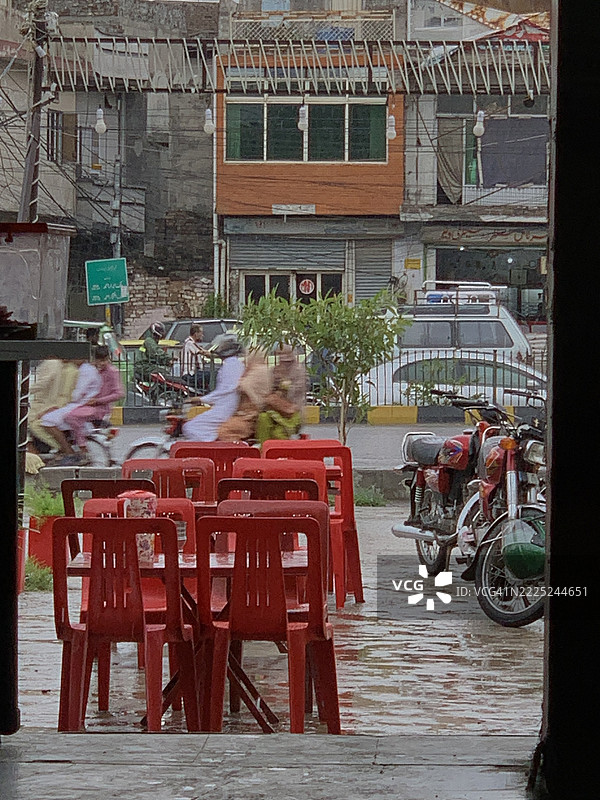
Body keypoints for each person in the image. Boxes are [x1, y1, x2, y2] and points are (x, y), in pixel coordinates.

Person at [62, 345, 125, 464]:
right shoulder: (92, 370)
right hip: (86, 405)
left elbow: (119, 393)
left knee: (71, 416)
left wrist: (98, 400)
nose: (101, 363)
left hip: (99, 409)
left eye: (104, 360)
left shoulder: (112, 372)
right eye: (99, 360)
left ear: (108, 358)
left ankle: (83, 448)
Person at [182, 333, 245, 442]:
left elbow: (225, 390)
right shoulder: (231, 364)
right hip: (224, 405)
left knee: (191, 427)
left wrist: (201, 399)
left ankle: (210, 447)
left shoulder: (232, 365)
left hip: (225, 407)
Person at [39, 357, 102, 463]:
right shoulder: (78, 369)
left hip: (79, 405)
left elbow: (76, 394)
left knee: (47, 421)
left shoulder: (86, 371)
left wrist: (61, 403)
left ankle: (68, 451)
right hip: (75, 404)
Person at [217, 348, 272, 442]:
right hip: (246, 413)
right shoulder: (259, 369)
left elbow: (243, 386)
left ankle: (239, 448)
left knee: (224, 430)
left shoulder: (259, 371)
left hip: (250, 415)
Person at [255, 344, 307, 444]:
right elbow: (268, 393)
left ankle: (279, 449)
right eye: (281, 356)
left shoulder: (299, 371)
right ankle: (264, 449)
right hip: (274, 411)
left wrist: (284, 386)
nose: (283, 360)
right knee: (263, 418)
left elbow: (296, 393)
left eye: (287, 357)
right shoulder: (274, 371)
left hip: (293, 413)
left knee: (278, 433)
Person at [28, 358, 80, 453]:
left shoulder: (58, 365)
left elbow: (46, 383)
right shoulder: (62, 366)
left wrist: (25, 390)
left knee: (34, 425)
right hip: (47, 403)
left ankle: (62, 449)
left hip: (51, 404)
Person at [181, 323, 212, 392]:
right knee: (211, 375)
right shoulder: (190, 343)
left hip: (192, 373)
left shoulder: (189, 343)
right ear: (196, 334)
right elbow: (203, 352)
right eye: (201, 333)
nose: (202, 335)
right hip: (189, 375)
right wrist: (215, 355)